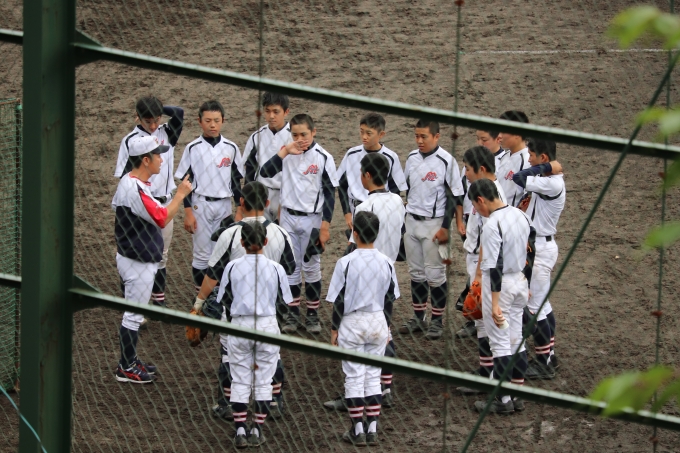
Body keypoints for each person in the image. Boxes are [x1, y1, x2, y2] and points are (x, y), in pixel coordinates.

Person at [196, 182, 295, 421]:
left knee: (229, 354)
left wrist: (198, 303)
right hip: (269, 310)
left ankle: (228, 404)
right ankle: (273, 401)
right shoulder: (281, 233)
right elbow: (290, 269)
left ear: (241, 202)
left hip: (235, 311)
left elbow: (213, 275)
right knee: (271, 356)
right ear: (267, 203)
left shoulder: (230, 234)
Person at [323, 153, 404, 411]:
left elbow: (353, 246)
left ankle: (356, 393)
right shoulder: (398, 201)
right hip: (387, 270)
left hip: (365, 272)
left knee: (360, 334)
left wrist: (345, 264)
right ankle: (385, 388)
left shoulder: (364, 206)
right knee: (384, 329)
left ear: (367, 176)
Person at [112, 136, 192, 383]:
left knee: (133, 314)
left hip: (133, 256)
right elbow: (161, 218)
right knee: (133, 316)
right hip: (137, 262)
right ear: (145, 160)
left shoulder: (132, 182)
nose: (161, 159)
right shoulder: (134, 188)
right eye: (157, 155)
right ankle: (126, 367)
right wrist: (180, 195)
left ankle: (130, 359)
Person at [216, 221, 294, 448]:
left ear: (242, 243)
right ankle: (257, 430)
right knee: (263, 381)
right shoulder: (276, 268)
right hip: (267, 326)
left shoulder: (232, 267)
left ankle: (240, 430)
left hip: (239, 325)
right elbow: (284, 304)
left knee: (240, 379)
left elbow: (225, 300)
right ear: (265, 242)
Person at [260, 113, 339, 334]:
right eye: (295, 135)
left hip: (312, 219)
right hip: (287, 216)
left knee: (311, 267)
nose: (299, 139)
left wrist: (325, 226)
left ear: (313, 132)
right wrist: (285, 151)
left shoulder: (323, 157)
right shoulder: (287, 153)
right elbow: (265, 173)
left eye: (304, 134)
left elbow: (330, 193)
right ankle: (293, 312)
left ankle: (312, 314)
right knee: (291, 267)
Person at [326, 211, 399, 446]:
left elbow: (338, 300)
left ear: (354, 233)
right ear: (377, 234)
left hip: (352, 322)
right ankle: (373, 429)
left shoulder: (346, 262)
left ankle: (358, 430)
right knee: (374, 376)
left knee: (355, 377)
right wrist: (386, 326)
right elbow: (390, 299)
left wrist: (334, 329)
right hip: (378, 320)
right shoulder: (386, 261)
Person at [114, 96, 184, 307]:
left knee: (161, 256)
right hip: (140, 206)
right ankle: (131, 301)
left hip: (164, 203)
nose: (153, 126)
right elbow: (125, 175)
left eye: (156, 119)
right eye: (147, 121)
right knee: (135, 255)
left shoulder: (166, 133)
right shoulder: (130, 141)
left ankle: (158, 302)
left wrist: (157, 108)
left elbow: (179, 113)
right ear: (138, 117)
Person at [399, 119, 465, 340]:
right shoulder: (411, 158)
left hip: (435, 224)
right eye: (416, 136)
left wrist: (446, 227)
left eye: (424, 136)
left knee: (435, 275)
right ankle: (419, 317)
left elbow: (454, 196)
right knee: (416, 273)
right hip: (412, 221)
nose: (419, 140)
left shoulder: (447, 161)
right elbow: (407, 189)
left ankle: (437, 320)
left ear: (436, 136)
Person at [469, 178, 531, 414]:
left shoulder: (492, 224)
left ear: (481, 200)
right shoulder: (520, 215)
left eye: (476, 205)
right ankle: (517, 394)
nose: (477, 210)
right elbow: (531, 249)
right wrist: (527, 281)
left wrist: (494, 303)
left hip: (500, 287)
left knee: (500, 344)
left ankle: (503, 400)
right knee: (517, 339)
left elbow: (495, 265)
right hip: (519, 281)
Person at [175, 100, 245, 294]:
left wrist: (239, 209)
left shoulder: (231, 148)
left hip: (224, 206)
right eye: (207, 121)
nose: (212, 125)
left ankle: (217, 297)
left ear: (223, 120)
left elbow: (236, 181)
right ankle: (202, 299)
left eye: (216, 120)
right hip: (200, 205)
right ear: (199, 121)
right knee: (201, 255)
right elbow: (186, 183)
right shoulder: (193, 148)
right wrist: (188, 212)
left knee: (222, 252)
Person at [455, 146, 508, 396]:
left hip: (484, 263)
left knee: (486, 321)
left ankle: (490, 375)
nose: (465, 173)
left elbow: (491, 237)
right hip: (479, 260)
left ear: (482, 169)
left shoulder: (490, 194)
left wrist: (477, 274)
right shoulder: (488, 190)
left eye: (467, 168)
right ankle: (486, 371)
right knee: (482, 322)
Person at [511, 138, 565, 379]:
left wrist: (549, 166)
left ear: (543, 158)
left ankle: (544, 363)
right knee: (544, 305)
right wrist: (547, 166)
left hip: (540, 249)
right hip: (537, 246)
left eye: (532, 155)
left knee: (534, 308)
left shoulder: (552, 183)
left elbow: (519, 177)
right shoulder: (546, 179)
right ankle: (549, 356)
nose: (529, 159)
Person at [337, 113, 407, 230]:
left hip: (381, 211)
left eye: (369, 133)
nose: (364, 137)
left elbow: (395, 190)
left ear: (381, 134)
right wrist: (347, 213)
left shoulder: (391, 157)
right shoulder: (351, 154)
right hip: (357, 210)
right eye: (361, 132)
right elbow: (342, 185)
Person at [243, 92, 292, 222]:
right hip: (261, 193)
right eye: (267, 111)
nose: (271, 116)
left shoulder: (294, 136)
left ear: (286, 112)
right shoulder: (256, 137)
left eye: (276, 112)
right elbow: (250, 170)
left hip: (286, 194)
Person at [495, 110, 530, 208]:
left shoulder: (527, 161)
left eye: (503, 131)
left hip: (511, 216)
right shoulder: (504, 156)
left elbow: (528, 199)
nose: (499, 136)